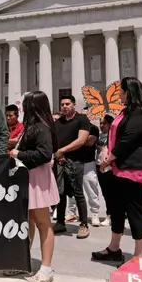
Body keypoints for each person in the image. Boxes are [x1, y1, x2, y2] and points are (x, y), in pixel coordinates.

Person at [92, 77, 142, 261]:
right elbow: (113, 135)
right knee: (116, 208)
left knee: (135, 211)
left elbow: (128, 139)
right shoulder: (125, 112)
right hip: (118, 167)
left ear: (129, 92)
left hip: (134, 167)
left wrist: (108, 159)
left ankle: (139, 256)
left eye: (121, 91)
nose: (119, 94)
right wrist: (105, 150)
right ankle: (114, 248)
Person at [9, 91, 60, 282]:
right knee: (28, 221)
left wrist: (19, 153)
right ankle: (23, 260)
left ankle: (46, 268)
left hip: (37, 178)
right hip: (30, 177)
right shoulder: (35, 127)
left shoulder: (40, 128)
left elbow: (45, 154)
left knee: (42, 223)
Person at [53, 95, 91, 239]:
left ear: (74, 105)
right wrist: (58, 154)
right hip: (60, 161)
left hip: (75, 162)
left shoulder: (82, 119)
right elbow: (53, 140)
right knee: (60, 193)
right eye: (62, 104)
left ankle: (83, 225)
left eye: (67, 104)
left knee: (78, 193)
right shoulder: (58, 122)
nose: (64, 106)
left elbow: (81, 140)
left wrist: (63, 150)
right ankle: (61, 223)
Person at [67, 108, 102, 227]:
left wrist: (77, 141)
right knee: (73, 189)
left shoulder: (93, 128)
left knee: (91, 187)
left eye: (86, 116)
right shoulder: (74, 127)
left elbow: (89, 142)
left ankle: (95, 214)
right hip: (73, 161)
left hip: (88, 162)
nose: (84, 118)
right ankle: (72, 212)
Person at [96, 115, 115, 227]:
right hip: (99, 166)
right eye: (101, 123)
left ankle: (111, 215)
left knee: (111, 192)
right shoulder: (98, 137)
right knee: (105, 193)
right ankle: (110, 214)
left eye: (104, 123)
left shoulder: (113, 136)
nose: (102, 126)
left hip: (110, 167)